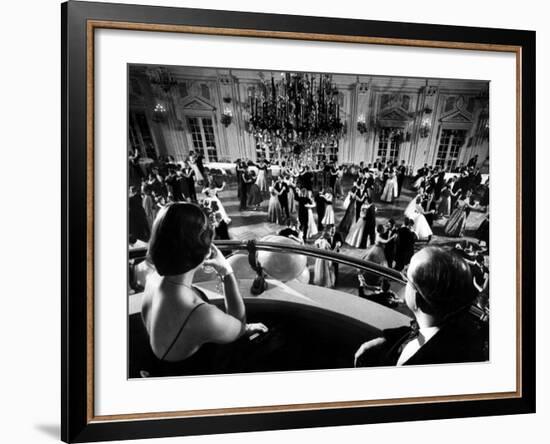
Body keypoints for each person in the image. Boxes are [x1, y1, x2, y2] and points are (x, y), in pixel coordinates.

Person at [141, 203, 268, 363]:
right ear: (206, 250)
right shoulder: (200, 314)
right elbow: (239, 327)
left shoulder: (153, 279)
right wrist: (226, 272)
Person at [354, 247, 486, 367]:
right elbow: (420, 335)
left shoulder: (424, 365)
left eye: (407, 279)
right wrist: (388, 339)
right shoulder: (456, 325)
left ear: (417, 298)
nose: (405, 282)